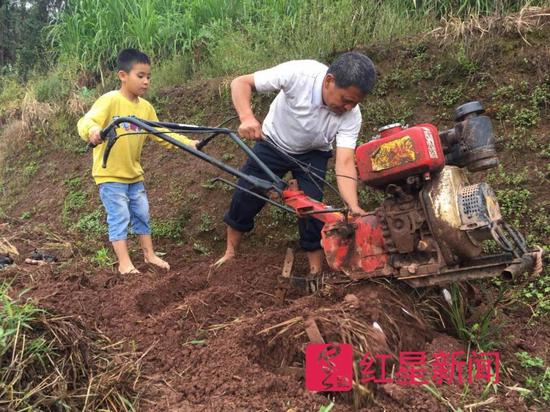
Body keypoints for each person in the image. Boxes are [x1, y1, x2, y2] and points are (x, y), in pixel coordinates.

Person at [214, 52, 376, 276]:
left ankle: (315, 271)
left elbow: (346, 161)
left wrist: (353, 206)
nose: (349, 107)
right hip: (273, 143)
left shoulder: (352, 115)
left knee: (313, 210)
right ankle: (230, 252)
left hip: (314, 153)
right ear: (329, 81)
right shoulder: (299, 74)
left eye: (355, 103)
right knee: (246, 194)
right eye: (346, 100)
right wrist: (247, 117)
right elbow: (241, 82)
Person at [77, 48, 198, 275]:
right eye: (140, 76)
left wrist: (187, 143)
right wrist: (93, 130)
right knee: (120, 216)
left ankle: (149, 254)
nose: (146, 81)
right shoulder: (111, 100)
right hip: (110, 174)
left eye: (148, 77)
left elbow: (161, 133)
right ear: (123, 75)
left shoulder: (145, 108)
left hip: (134, 174)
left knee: (142, 213)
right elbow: (86, 120)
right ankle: (125, 263)